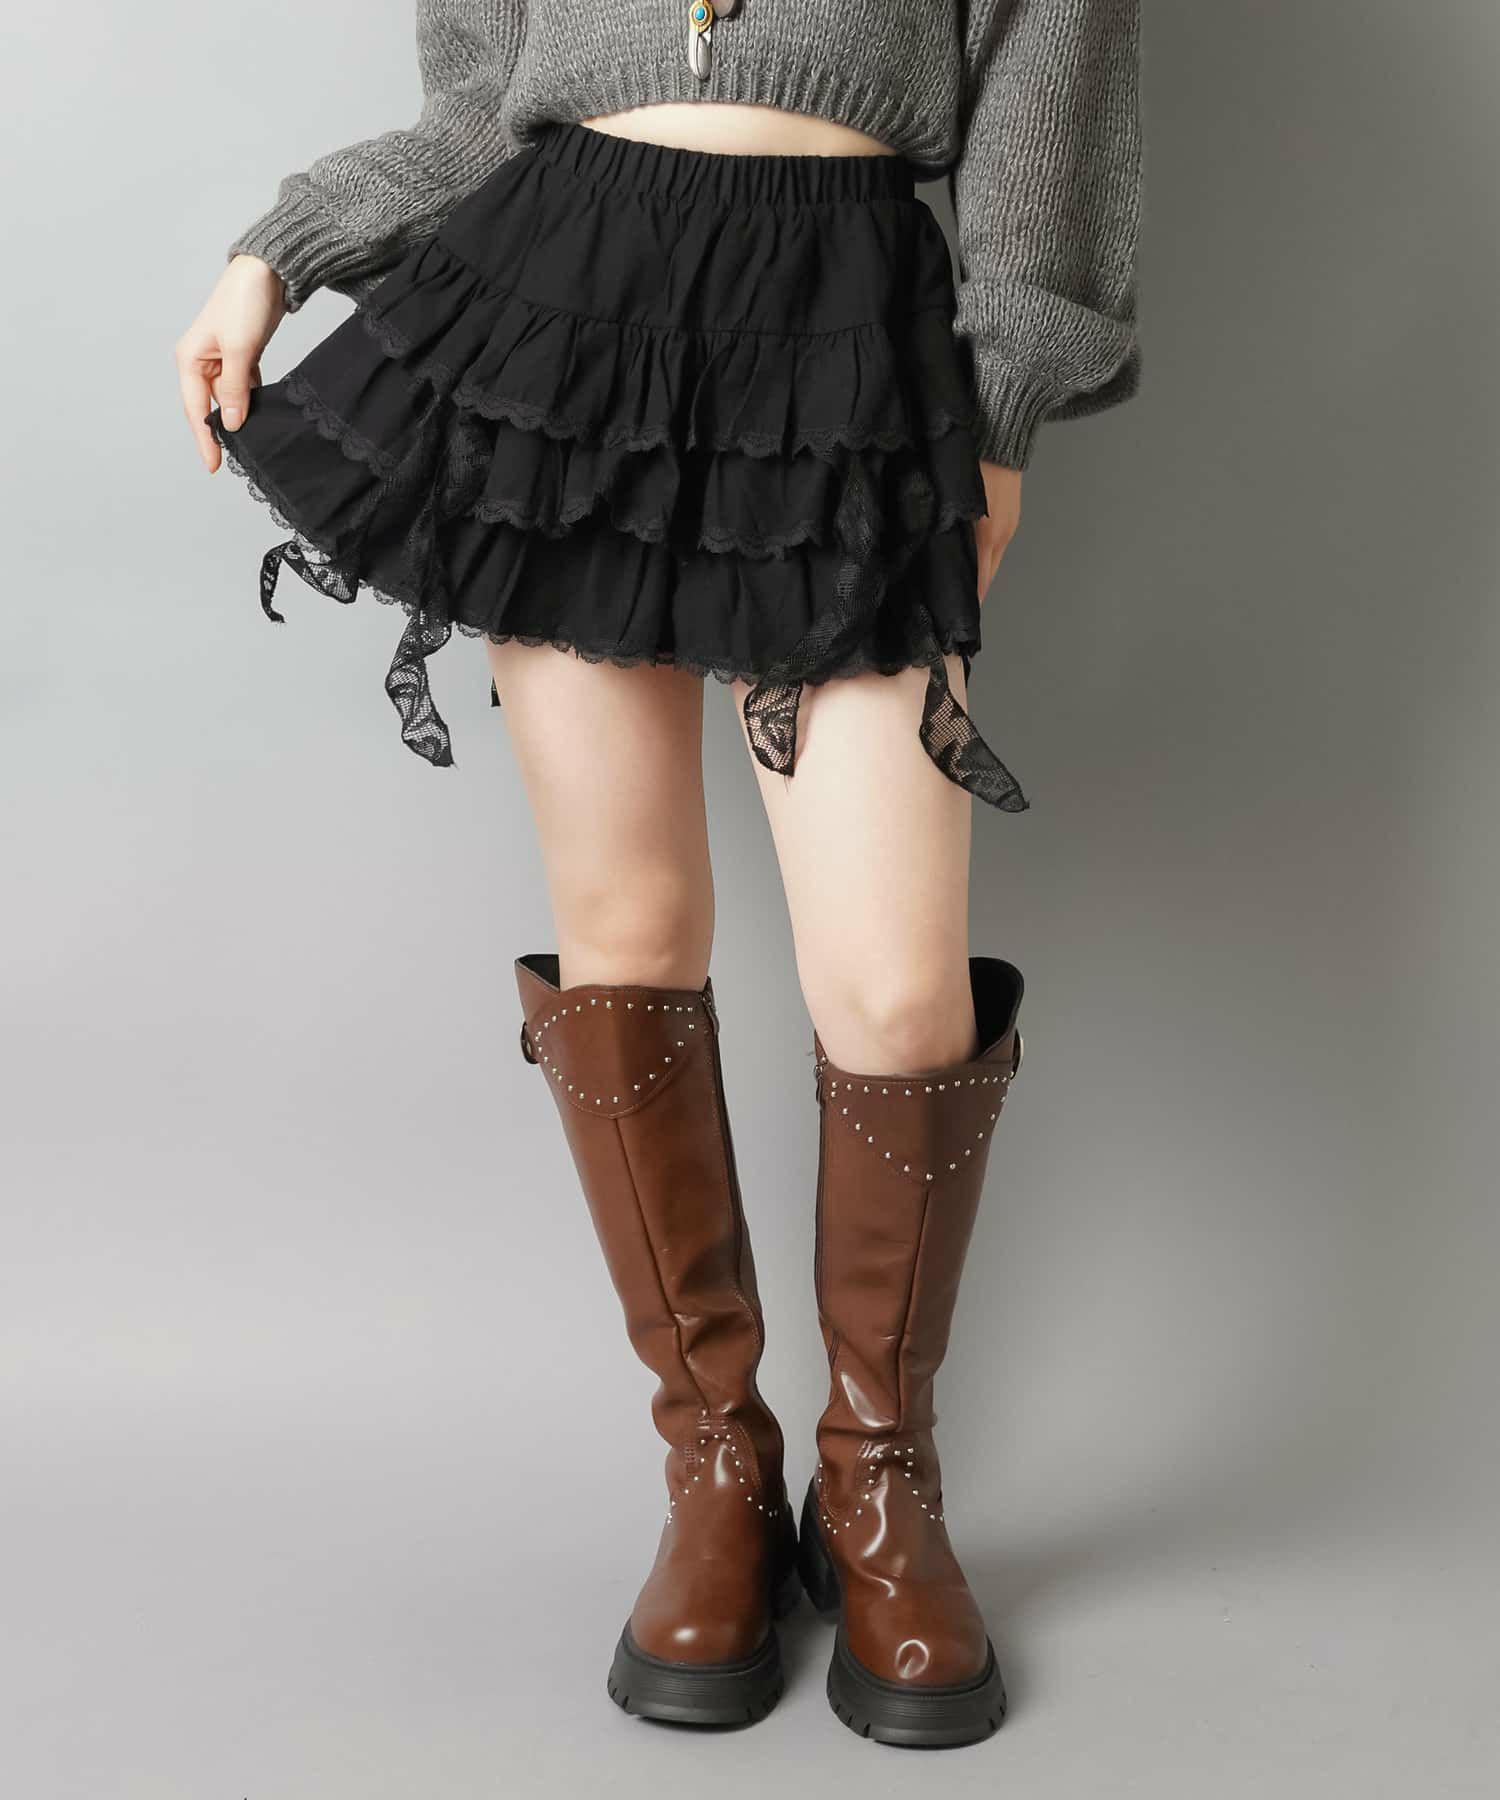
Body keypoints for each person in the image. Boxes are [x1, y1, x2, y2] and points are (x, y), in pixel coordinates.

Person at [175, 0, 1141, 1748]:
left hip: (845, 339)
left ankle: (879, 1480)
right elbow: (478, 118)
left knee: (896, 989)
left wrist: (995, 417)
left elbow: (1045, 128)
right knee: (628, 925)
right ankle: (715, 1465)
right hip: (564, 329)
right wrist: (276, 250)